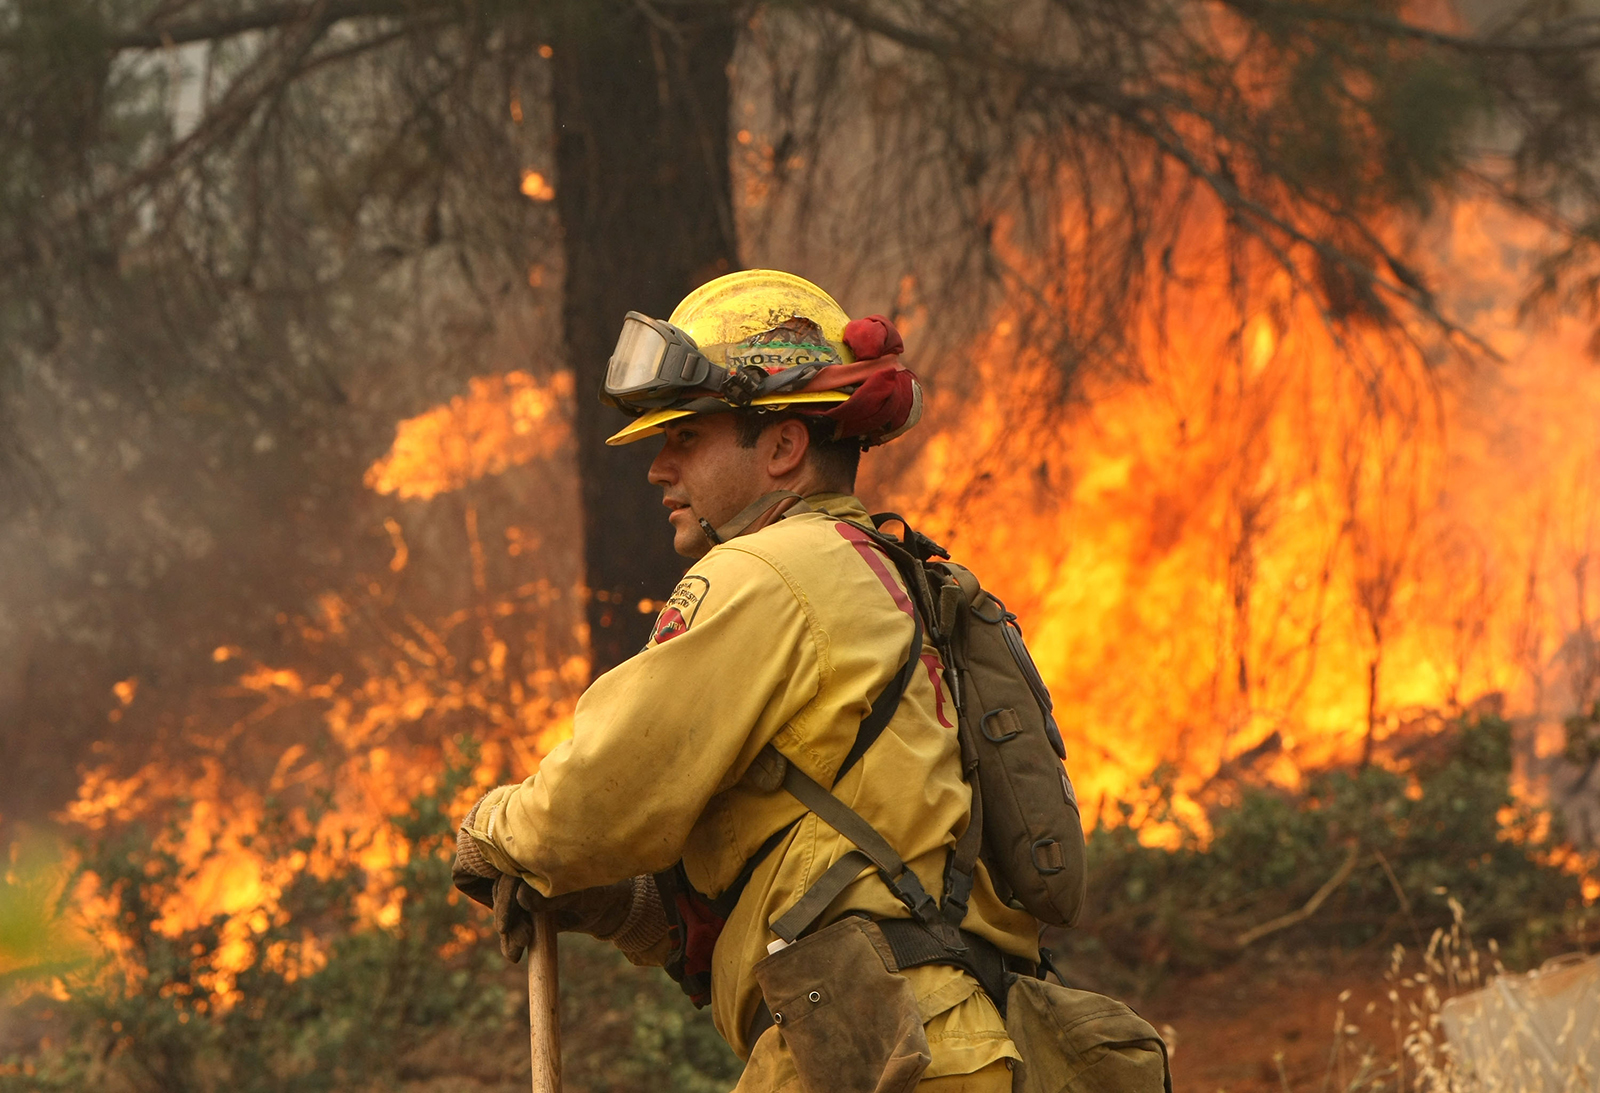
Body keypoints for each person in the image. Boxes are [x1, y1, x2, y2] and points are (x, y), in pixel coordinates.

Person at [452, 270, 1041, 1092]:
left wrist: (495, 829)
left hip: (876, 1056)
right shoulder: (893, 575)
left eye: (685, 438)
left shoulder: (767, 571)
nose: (659, 469)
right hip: (947, 1040)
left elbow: (596, 797)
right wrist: (650, 912)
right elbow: (834, 844)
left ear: (781, 446)